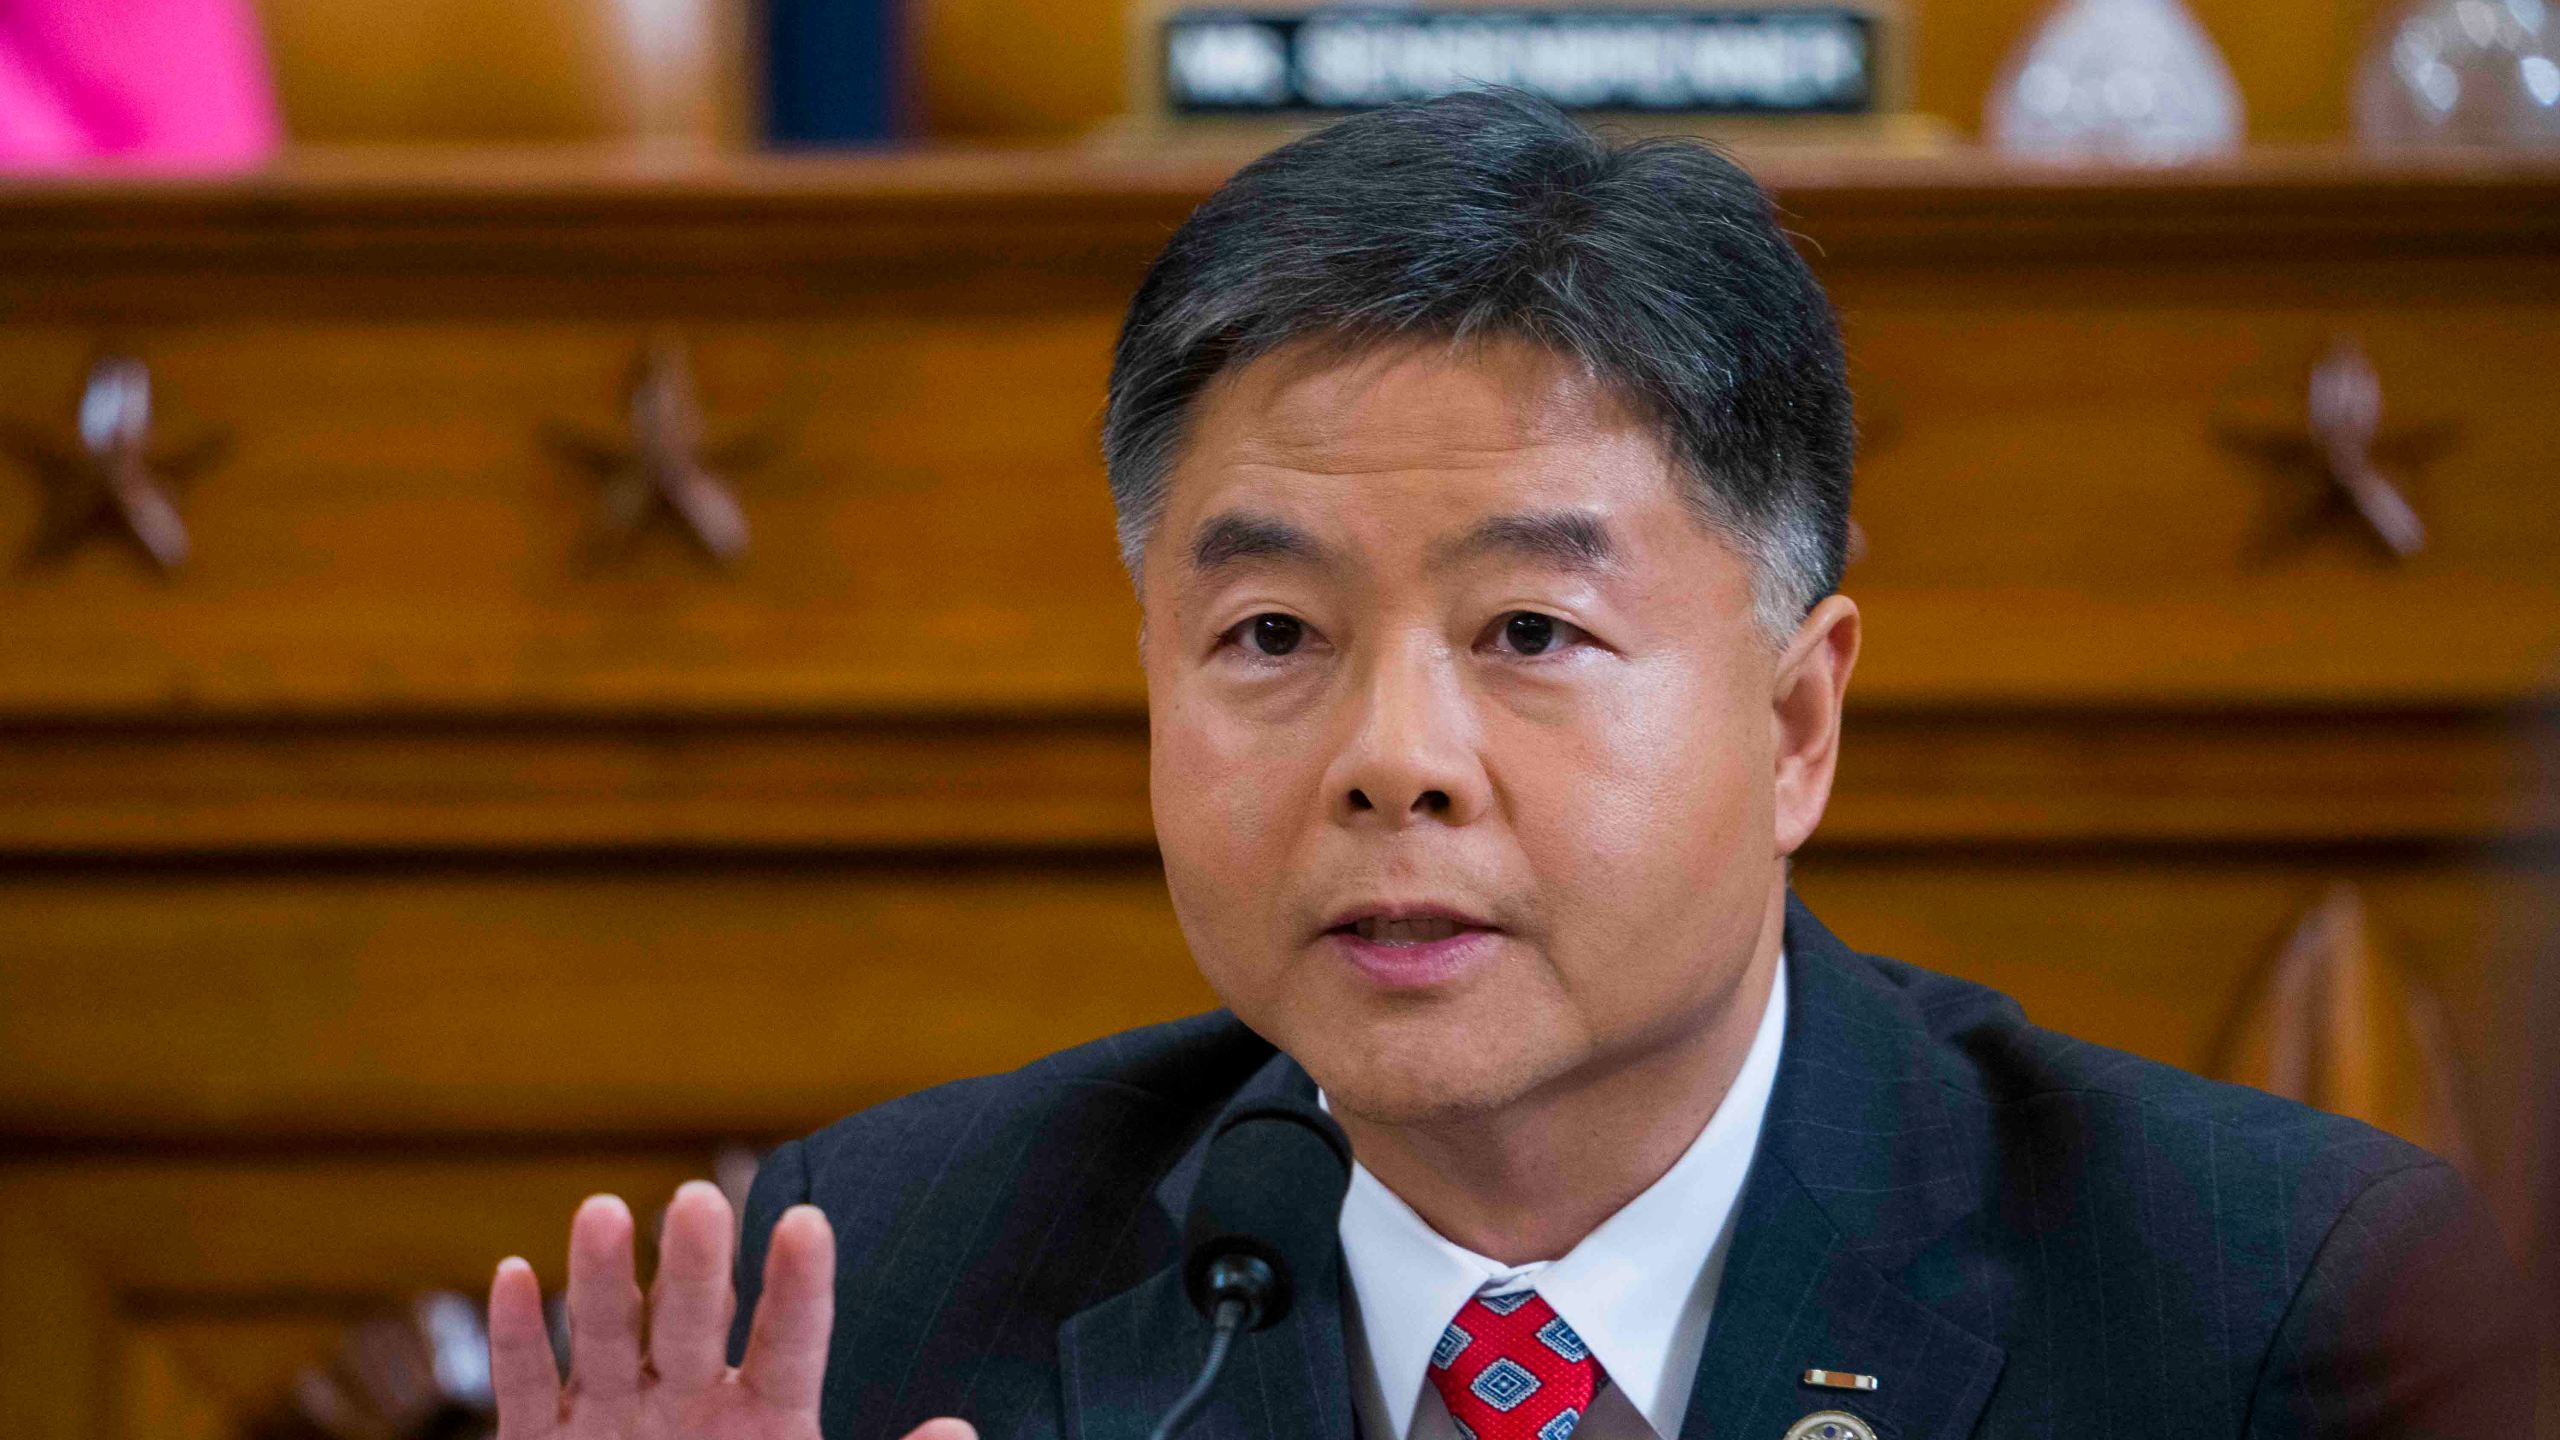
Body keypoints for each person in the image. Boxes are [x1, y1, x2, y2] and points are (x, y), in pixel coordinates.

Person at [484, 90, 2533, 1440]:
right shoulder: (886, 1278)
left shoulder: (2265, 1305)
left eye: (1529, 635)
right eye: (1269, 637)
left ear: (1791, 718)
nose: (1392, 763)